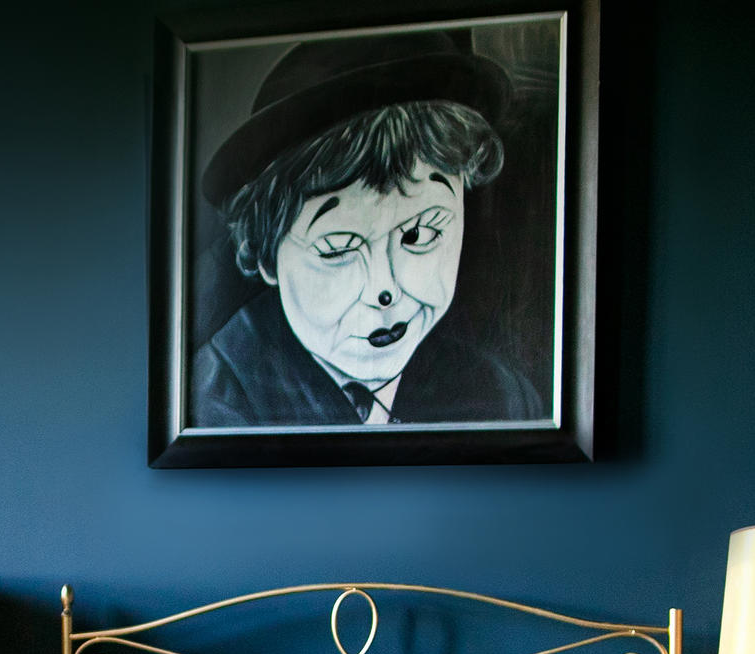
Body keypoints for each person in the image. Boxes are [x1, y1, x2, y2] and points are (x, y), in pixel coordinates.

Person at [192, 33, 542, 429]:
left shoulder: (501, 394)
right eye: (339, 248)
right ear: (266, 254)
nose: (384, 289)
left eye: (418, 235)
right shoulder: (214, 410)